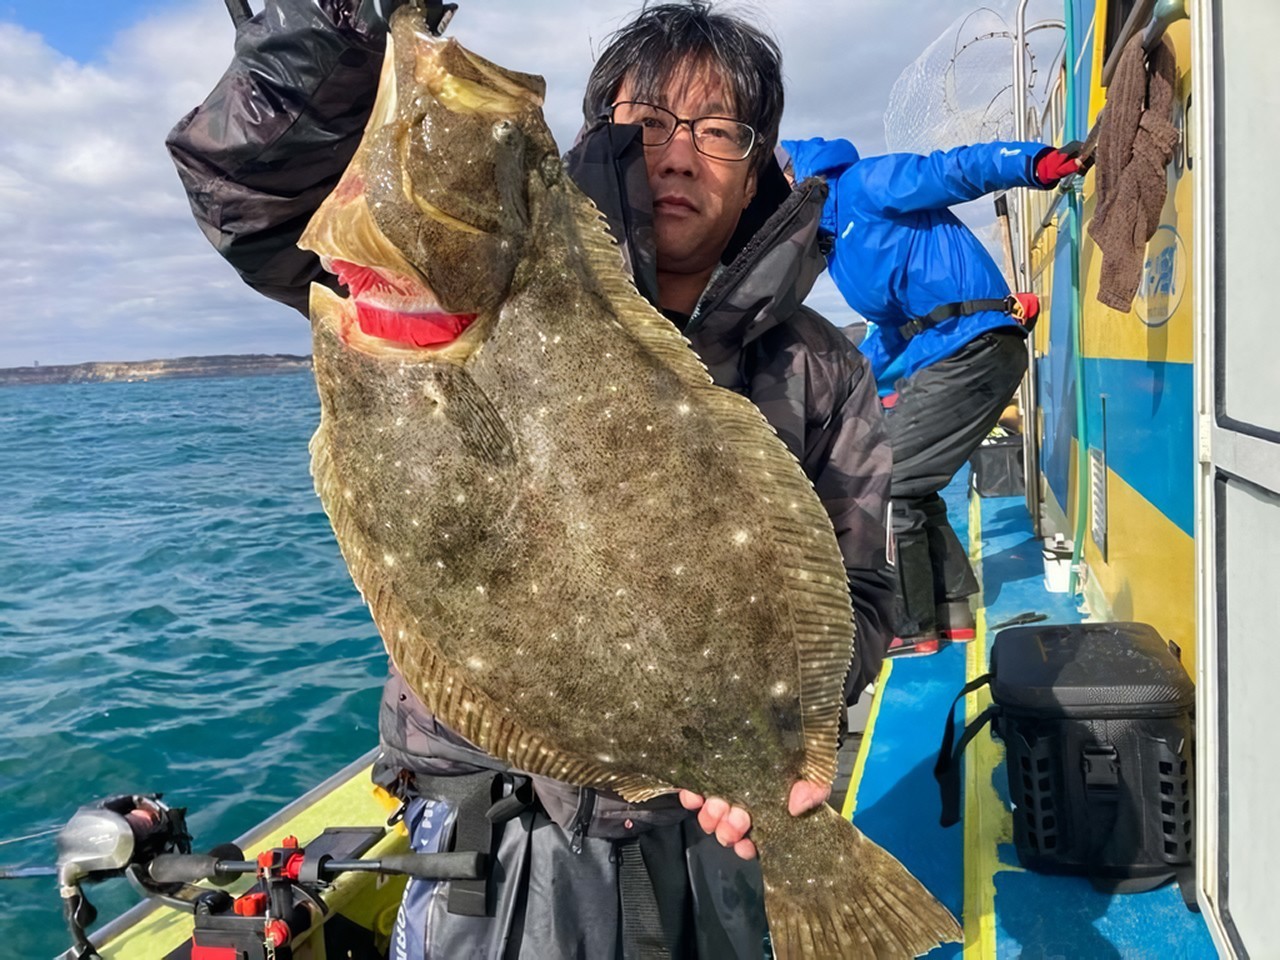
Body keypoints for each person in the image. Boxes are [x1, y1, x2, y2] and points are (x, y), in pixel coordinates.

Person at [167, 1, 895, 955]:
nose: (679, 155)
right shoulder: (459, 278)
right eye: (651, 123)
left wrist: (770, 737)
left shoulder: (821, 370)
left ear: (757, 165)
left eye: (719, 132)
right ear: (597, 137)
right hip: (506, 844)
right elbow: (248, 190)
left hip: (719, 842)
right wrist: (333, 28)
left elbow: (866, 591)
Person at [778, 135, 1083, 656]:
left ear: (796, 178)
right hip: (942, 357)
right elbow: (891, 333)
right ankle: (951, 611)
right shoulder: (838, 258)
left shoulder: (863, 186)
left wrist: (1034, 164)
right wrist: (837, 386)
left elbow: (953, 170)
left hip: (975, 346)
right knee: (911, 484)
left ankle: (910, 624)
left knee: (889, 480)